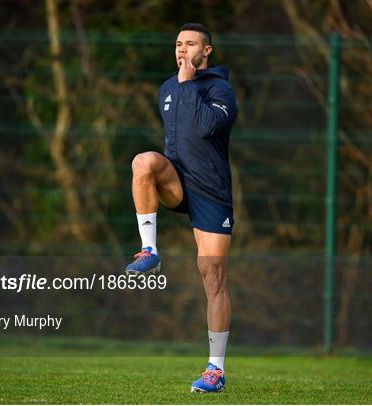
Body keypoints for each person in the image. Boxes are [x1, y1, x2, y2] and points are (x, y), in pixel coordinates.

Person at [125, 23, 238, 393]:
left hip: (211, 192)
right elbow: (174, 142)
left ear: (207, 51)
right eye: (177, 44)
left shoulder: (220, 90)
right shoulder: (166, 89)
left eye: (190, 44)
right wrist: (165, 176)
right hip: (178, 181)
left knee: (212, 273)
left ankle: (215, 371)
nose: (182, 50)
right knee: (143, 161)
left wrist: (189, 84)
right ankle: (149, 249)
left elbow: (206, 127)